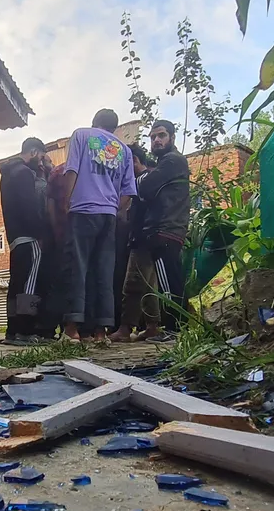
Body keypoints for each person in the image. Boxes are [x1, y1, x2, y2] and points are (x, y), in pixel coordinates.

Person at [54, 109, 137, 341]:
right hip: (108, 216)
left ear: (94, 122)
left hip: (82, 210)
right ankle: (101, 333)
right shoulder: (125, 151)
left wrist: (67, 201)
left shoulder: (81, 135)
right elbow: (128, 193)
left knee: (76, 268)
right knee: (103, 271)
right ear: (114, 128)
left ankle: (72, 330)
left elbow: (71, 170)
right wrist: (111, 208)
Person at [140, 119, 192, 334]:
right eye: (153, 137)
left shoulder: (172, 161)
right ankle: (178, 327)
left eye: (161, 135)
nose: (156, 140)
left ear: (172, 137)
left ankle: (174, 329)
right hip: (171, 228)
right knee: (171, 277)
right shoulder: (170, 162)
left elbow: (145, 187)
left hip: (165, 229)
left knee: (168, 282)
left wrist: (145, 180)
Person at [0, 137, 50, 344]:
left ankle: (12, 331)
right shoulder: (24, 174)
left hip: (14, 237)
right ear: (32, 152)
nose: (40, 163)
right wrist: (41, 233)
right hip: (29, 237)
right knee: (29, 285)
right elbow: (29, 207)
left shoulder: (7, 174)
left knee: (16, 284)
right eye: (40, 158)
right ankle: (25, 330)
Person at [112, 146, 163, 341]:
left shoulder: (140, 182)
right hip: (150, 236)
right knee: (149, 285)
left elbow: (131, 210)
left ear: (133, 160)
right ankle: (152, 325)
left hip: (142, 237)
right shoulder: (151, 178)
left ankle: (125, 329)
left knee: (132, 283)